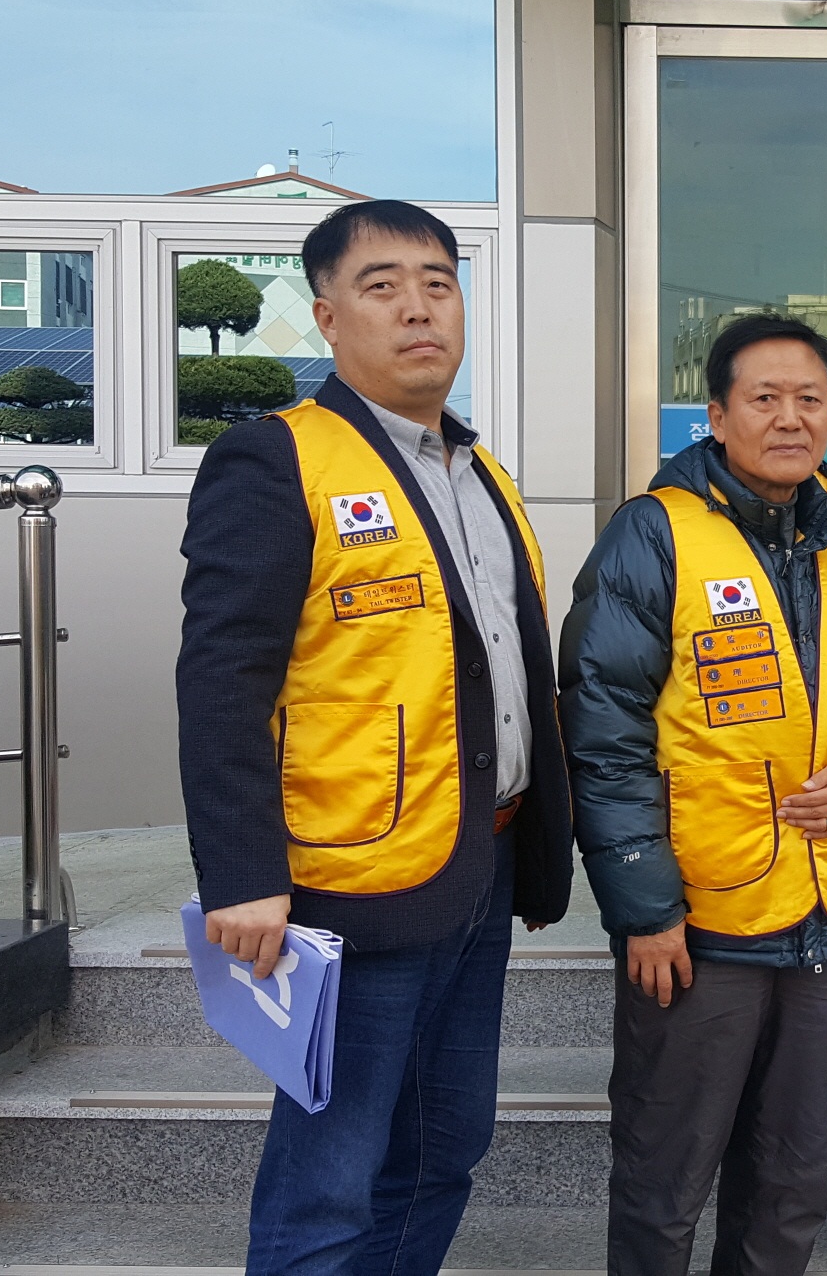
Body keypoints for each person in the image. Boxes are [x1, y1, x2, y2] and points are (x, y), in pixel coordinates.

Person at [177, 199, 574, 1276]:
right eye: (382, 286)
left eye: (438, 284)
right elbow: (222, 681)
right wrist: (242, 876)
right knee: (330, 1177)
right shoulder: (276, 460)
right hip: (350, 882)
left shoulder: (482, 474)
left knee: (445, 1148)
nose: (418, 309)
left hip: (479, 860)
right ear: (326, 317)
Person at [559, 313, 827, 1276]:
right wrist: (645, 910)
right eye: (765, 398)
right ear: (717, 416)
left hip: (820, 914)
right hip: (700, 921)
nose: (790, 418)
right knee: (666, 1171)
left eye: (811, 399)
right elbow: (602, 729)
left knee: (790, 1179)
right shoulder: (656, 533)